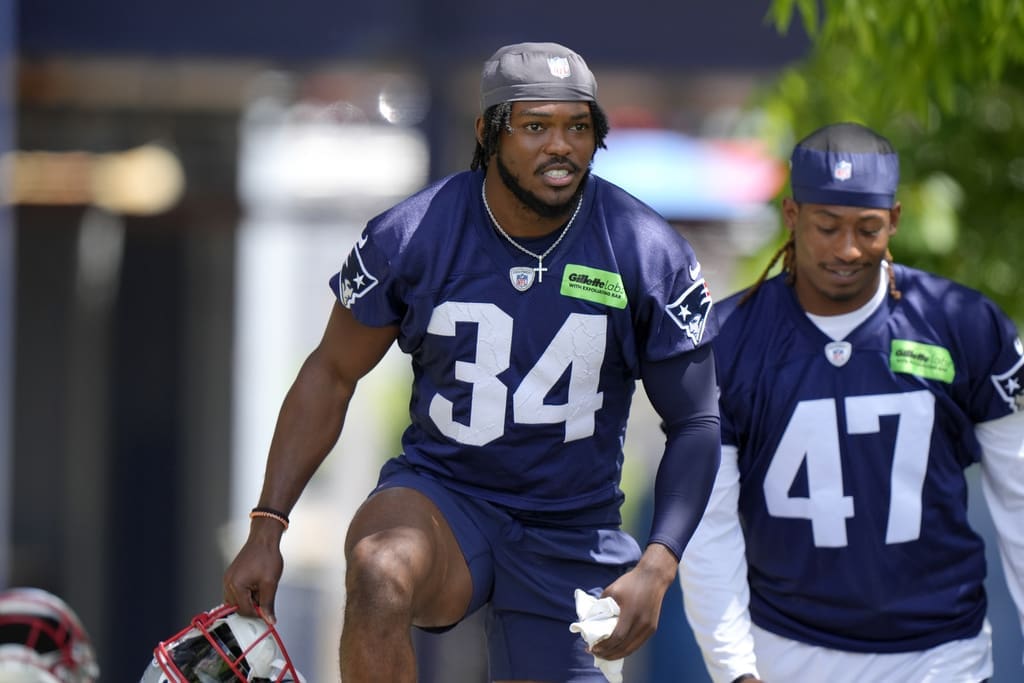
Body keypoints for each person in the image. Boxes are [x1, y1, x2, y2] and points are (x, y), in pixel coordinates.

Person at [223, 41, 722, 682]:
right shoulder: (413, 234)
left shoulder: (643, 248)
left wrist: (658, 565)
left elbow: (697, 420)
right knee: (380, 570)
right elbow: (332, 372)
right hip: (443, 497)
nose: (560, 146)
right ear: (488, 132)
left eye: (578, 127)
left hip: (572, 527)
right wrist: (268, 526)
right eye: (535, 126)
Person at [678, 121, 1024, 683]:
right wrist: (734, 668)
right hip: (787, 649)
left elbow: (1020, 496)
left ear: (895, 220)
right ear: (792, 216)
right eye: (827, 226)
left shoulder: (962, 324)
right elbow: (707, 520)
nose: (847, 249)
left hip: (941, 654)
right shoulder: (730, 340)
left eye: (868, 228)